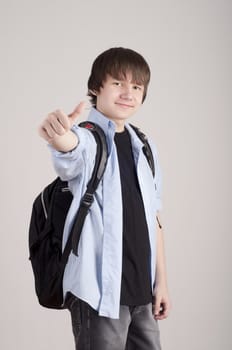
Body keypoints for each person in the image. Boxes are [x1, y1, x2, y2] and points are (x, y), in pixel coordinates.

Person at [38, 47, 171, 350]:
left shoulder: (144, 148)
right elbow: (69, 149)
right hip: (99, 294)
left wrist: (161, 283)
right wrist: (57, 133)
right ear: (97, 87)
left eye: (136, 87)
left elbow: (155, 220)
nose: (128, 93)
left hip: (142, 295)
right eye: (118, 84)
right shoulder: (88, 137)